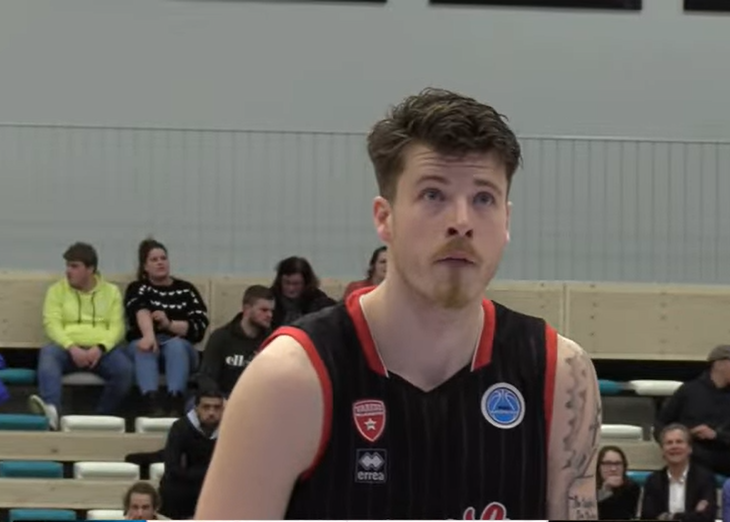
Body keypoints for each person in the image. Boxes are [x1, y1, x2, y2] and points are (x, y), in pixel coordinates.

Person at [196, 88, 601, 520]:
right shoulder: (289, 378)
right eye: (433, 195)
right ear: (384, 218)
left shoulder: (559, 373)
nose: (461, 222)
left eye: (483, 198)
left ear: (507, 221)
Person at [29, 242, 133, 429]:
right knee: (48, 355)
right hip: (67, 349)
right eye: (67, 266)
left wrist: (100, 348)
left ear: (90, 269)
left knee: (124, 370)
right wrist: (71, 347)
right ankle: (52, 413)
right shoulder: (56, 290)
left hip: (101, 351)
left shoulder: (111, 292)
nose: (68, 271)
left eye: (74, 266)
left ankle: (101, 418)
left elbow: (117, 327)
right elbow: (51, 324)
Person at [125, 238, 209, 416]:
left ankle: (175, 401)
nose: (160, 262)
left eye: (163, 258)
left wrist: (168, 324)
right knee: (145, 347)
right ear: (145, 267)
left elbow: (199, 327)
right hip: (145, 343)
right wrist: (149, 336)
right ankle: (151, 403)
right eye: (154, 260)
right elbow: (139, 309)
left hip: (182, 348)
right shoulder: (138, 288)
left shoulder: (186, 290)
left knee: (175, 345)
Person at [654, 344, 730, 476]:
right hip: (693, 461)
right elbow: (661, 425)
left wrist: (716, 436)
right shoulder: (688, 392)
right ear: (718, 364)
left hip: (729, 462)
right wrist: (684, 435)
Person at [195, 285, 274, 397]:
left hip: (259, 399)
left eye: (271, 311)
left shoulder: (272, 341)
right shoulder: (221, 337)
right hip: (224, 399)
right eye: (264, 310)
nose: (269, 315)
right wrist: (219, 399)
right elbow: (207, 377)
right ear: (247, 309)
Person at [159, 388, 224, 520]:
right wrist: (210, 473)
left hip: (218, 486)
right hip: (186, 486)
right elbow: (172, 468)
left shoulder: (230, 428)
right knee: (170, 488)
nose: (211, 413)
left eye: (217, 408)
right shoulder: (180, 427)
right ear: (196, 409)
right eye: (206, 407)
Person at [640, 423, 717, 522]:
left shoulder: (705, 478)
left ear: (690, 448)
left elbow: (706, 518)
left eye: (679, 442)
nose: (674, 446)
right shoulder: (653, 481)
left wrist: (670, 517)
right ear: (662, 450)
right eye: (669, 443)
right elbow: (648, 517)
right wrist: (692, 515)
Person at [268, 256, 336, 329]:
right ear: (279, 281)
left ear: (306, 283)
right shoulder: (268, 299)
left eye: (296, 284)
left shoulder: (320, 302)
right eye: (286, 283)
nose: (291, 288)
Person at [596, 445, 641, 520]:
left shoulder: (632, 487)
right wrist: (604, 492)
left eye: (618, 464)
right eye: (607, 463)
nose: (613, 469)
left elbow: (630, 515)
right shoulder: (587, 486)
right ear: (599, 467)